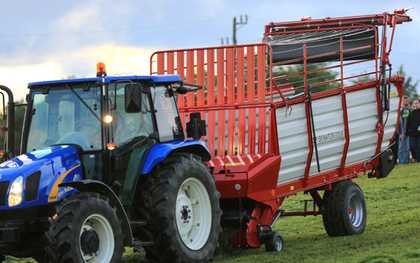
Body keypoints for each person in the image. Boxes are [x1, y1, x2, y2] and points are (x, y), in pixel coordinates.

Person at [398, 96, 411, 164]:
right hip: (401, 133)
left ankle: (406, 161)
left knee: (407, 148)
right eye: (404, 100)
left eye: (407, 100)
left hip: (407, 133)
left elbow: (406, 123)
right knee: (401, 148)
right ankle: (401, 161)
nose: (405, 101)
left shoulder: (408, 110)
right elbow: (399, 123)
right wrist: (400, 133)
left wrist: (404, 133)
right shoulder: (399, 111)